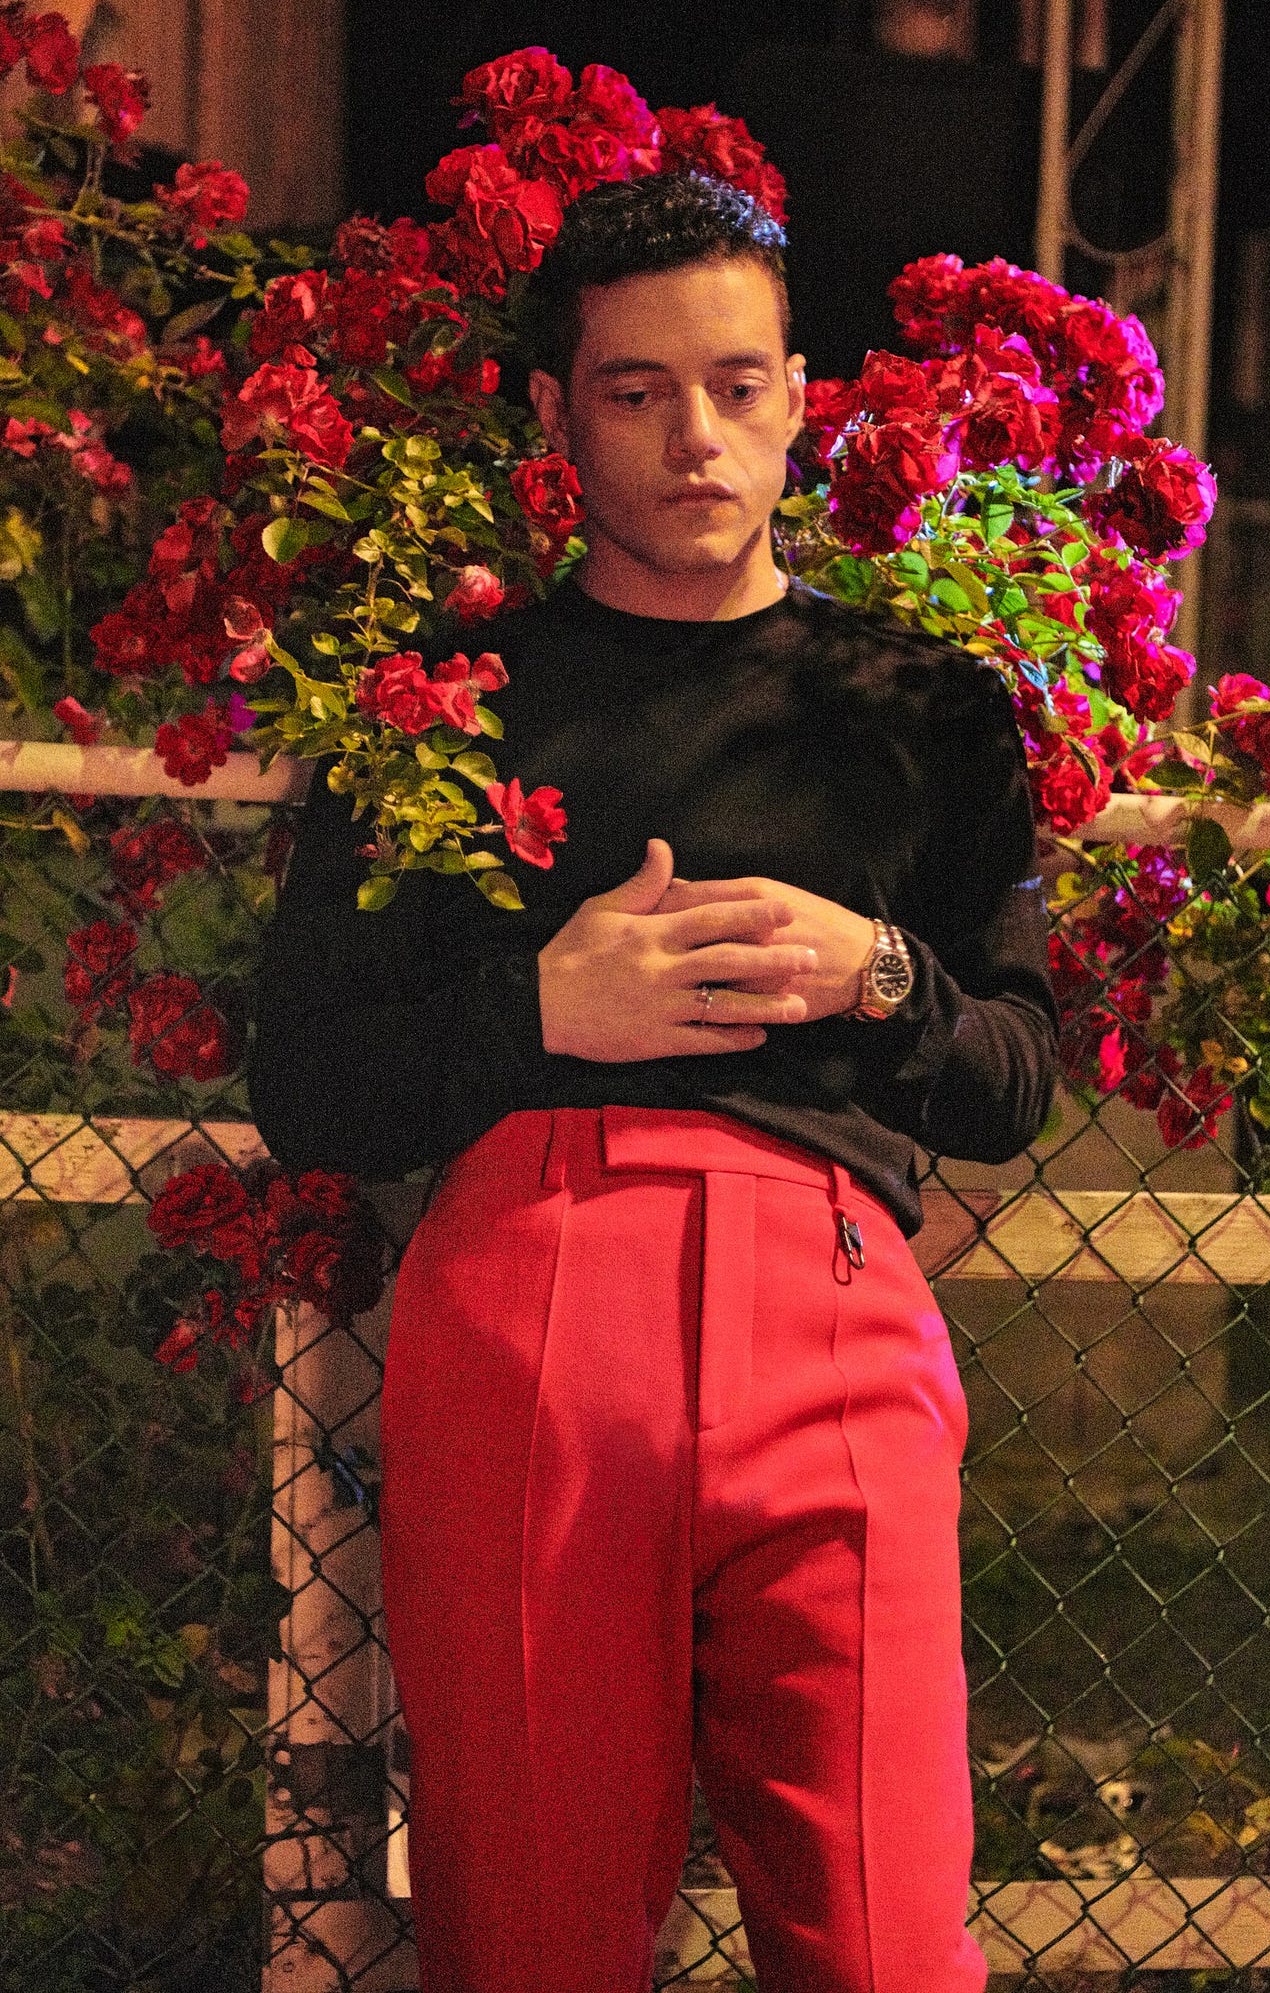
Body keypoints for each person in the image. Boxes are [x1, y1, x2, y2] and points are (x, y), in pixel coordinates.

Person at [247, 170, 1059, 1993]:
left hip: (837, 1313)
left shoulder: (924, 704)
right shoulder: (451, 694)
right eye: (637, 393)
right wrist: (542, 1008)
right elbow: (311, 1076)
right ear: (559, 413)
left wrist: (882, 970)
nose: (698, 437)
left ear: (797, 398)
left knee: (883, 1937)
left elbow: (1016, 1075)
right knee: (529, 1926)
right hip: (533, 1297)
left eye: (739, 385)